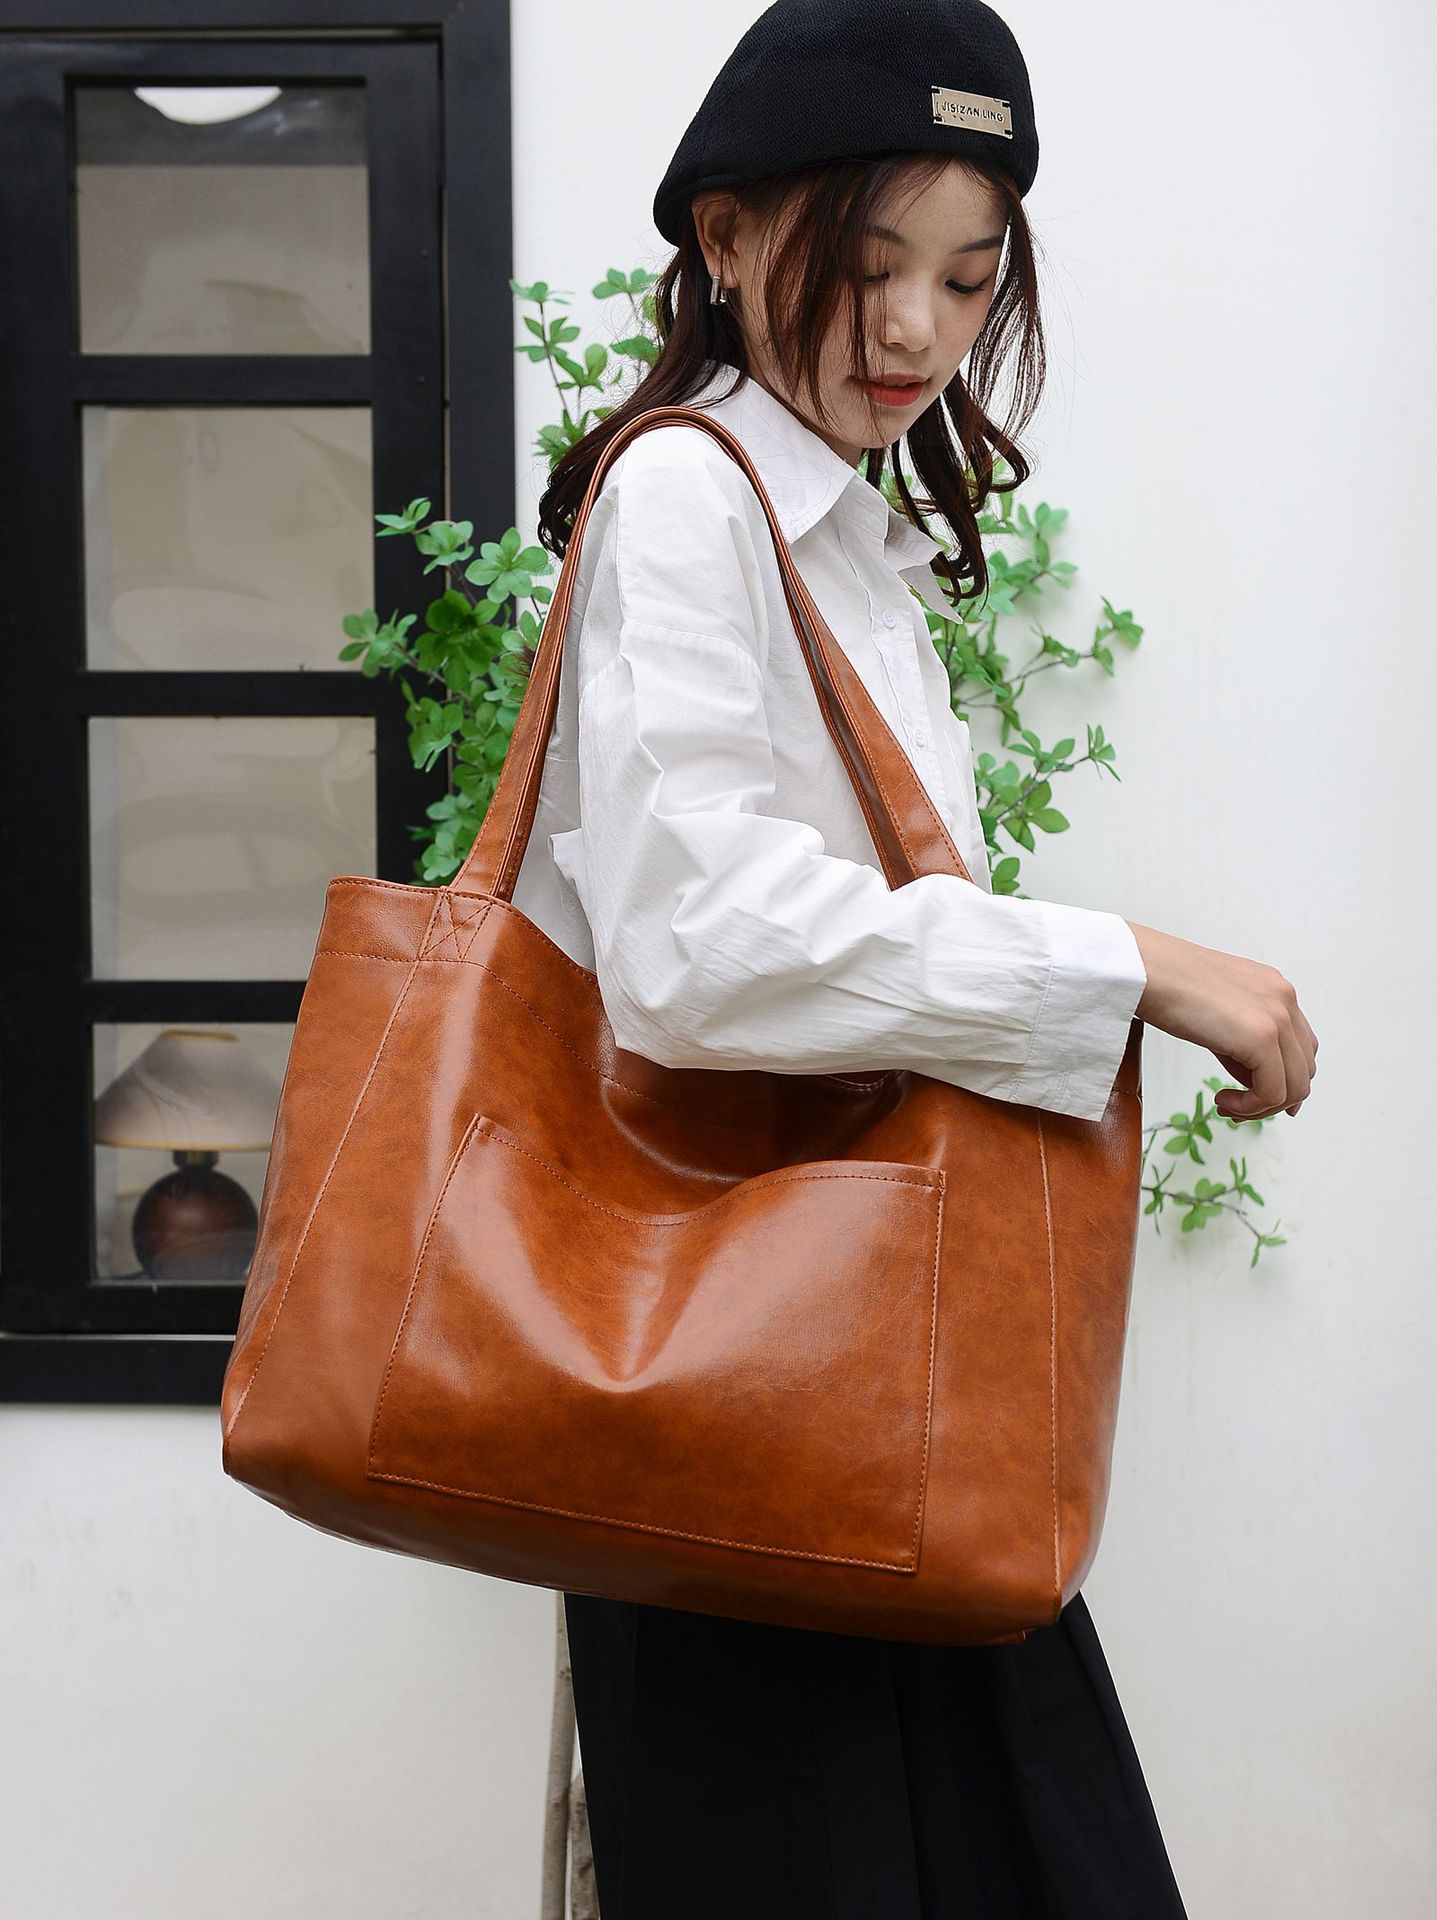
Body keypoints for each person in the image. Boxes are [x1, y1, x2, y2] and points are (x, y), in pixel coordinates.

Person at [512, 3, 1318, 1913]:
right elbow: (693, 948)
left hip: (860, 1374)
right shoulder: (689, 494)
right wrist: (1130, 965)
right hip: (740, 1405)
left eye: (963, 280)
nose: (912, 331)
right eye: (864, 263)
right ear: (723, 238)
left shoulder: (836, 534)